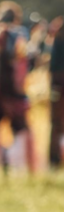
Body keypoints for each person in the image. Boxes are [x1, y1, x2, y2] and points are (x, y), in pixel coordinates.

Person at [0, 1, 35, 172]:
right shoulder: (20, 35)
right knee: (18, 128)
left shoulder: (0, 34)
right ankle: (13, 162)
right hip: (14, 90)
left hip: (2, 89)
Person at [50, 16, 64, 169]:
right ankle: (55, 158)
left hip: (58, 86)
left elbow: (53, 66)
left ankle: (55, 158)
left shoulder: (57, 40)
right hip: (59, 86)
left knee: (56, 123)